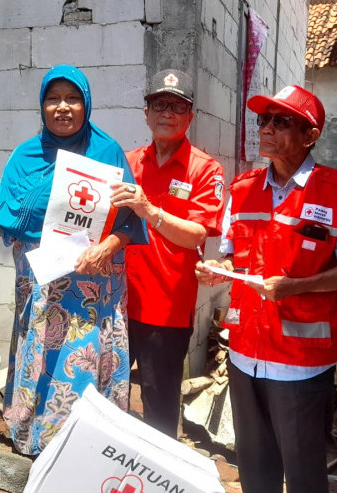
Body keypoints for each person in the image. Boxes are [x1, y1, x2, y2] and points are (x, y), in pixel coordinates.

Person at [0, 65, 148, 455]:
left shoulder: (108, 151)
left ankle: (88, 447)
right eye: (53, 98)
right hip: (43, 288)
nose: (62, 107)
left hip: (93, 287)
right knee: (43, 356)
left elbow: (131, 218)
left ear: (87, 104)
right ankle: (36, 439)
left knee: (86, 361)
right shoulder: (25, 155)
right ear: (42, 105)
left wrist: (109, 246)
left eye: (72, 98)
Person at [195, 85, 337, 493]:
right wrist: (220, 270)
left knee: (304, 470)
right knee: (255, 466)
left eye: (281, 121)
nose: (267, 129)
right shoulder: (241, 189)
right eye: (263, 120)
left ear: (310, 136)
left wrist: (297, 287)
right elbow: (233, 258)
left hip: (301, 361)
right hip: (244, 353)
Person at [109, 69, 225, 438]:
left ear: (190, 116)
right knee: (109, 395)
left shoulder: (205, 169)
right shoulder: (127, 162)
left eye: (178, 106)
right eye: (160, 104)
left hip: (166, 308)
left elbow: (196, 234)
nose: (168, 113)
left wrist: (151, 211)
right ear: (146, 112)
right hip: (117, 301)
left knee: (159, 404)